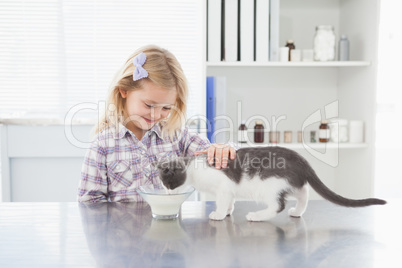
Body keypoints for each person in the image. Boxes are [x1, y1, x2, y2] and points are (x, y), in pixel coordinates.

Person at [78, 45, 236, 202]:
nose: (156, 115)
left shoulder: (177, 135)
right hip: (123, 227)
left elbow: (211, 156)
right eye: (149, 105)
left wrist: (224, 151)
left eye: (166, 107)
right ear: (124, 90)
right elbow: (89, 204)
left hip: (171, 227)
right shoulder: (102, 145)